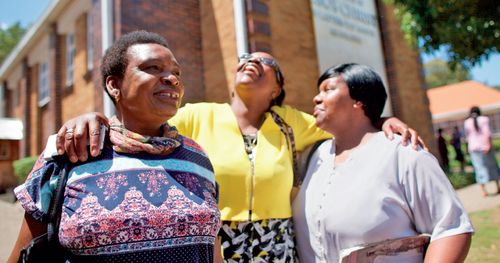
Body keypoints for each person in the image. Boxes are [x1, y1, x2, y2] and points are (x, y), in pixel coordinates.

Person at [54, 52, 424, 262]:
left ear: (278, 87)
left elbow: (346, 119)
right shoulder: (198, 115)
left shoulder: (292, 122)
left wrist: (385, 118)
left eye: (264, 62)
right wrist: (93, 118)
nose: (251, 61)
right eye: (245, 58)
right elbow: (135, 121)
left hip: (276, 241)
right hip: (215, 240)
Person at [8, 31, 222, 263]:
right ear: (114, 85)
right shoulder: (73, 151)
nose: (172, 78)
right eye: (152, 67)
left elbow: (213, 250)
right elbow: (22, 255)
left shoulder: (197, 157)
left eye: (176, 72)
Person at [293, 63, 473, 262]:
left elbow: (450, 229)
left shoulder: (403, 153)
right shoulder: (314, 156)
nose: (316, 98)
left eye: (328, 89)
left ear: (359, 100)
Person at [464, 106, 500, 197]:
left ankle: (484, 191)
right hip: (485, 147)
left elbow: (467, 137)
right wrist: (488, 145)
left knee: (478, 168)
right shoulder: (484, 119)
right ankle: (498, 187)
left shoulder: (467, 122)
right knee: (492, 167)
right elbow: (487, 133)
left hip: (473, 148)